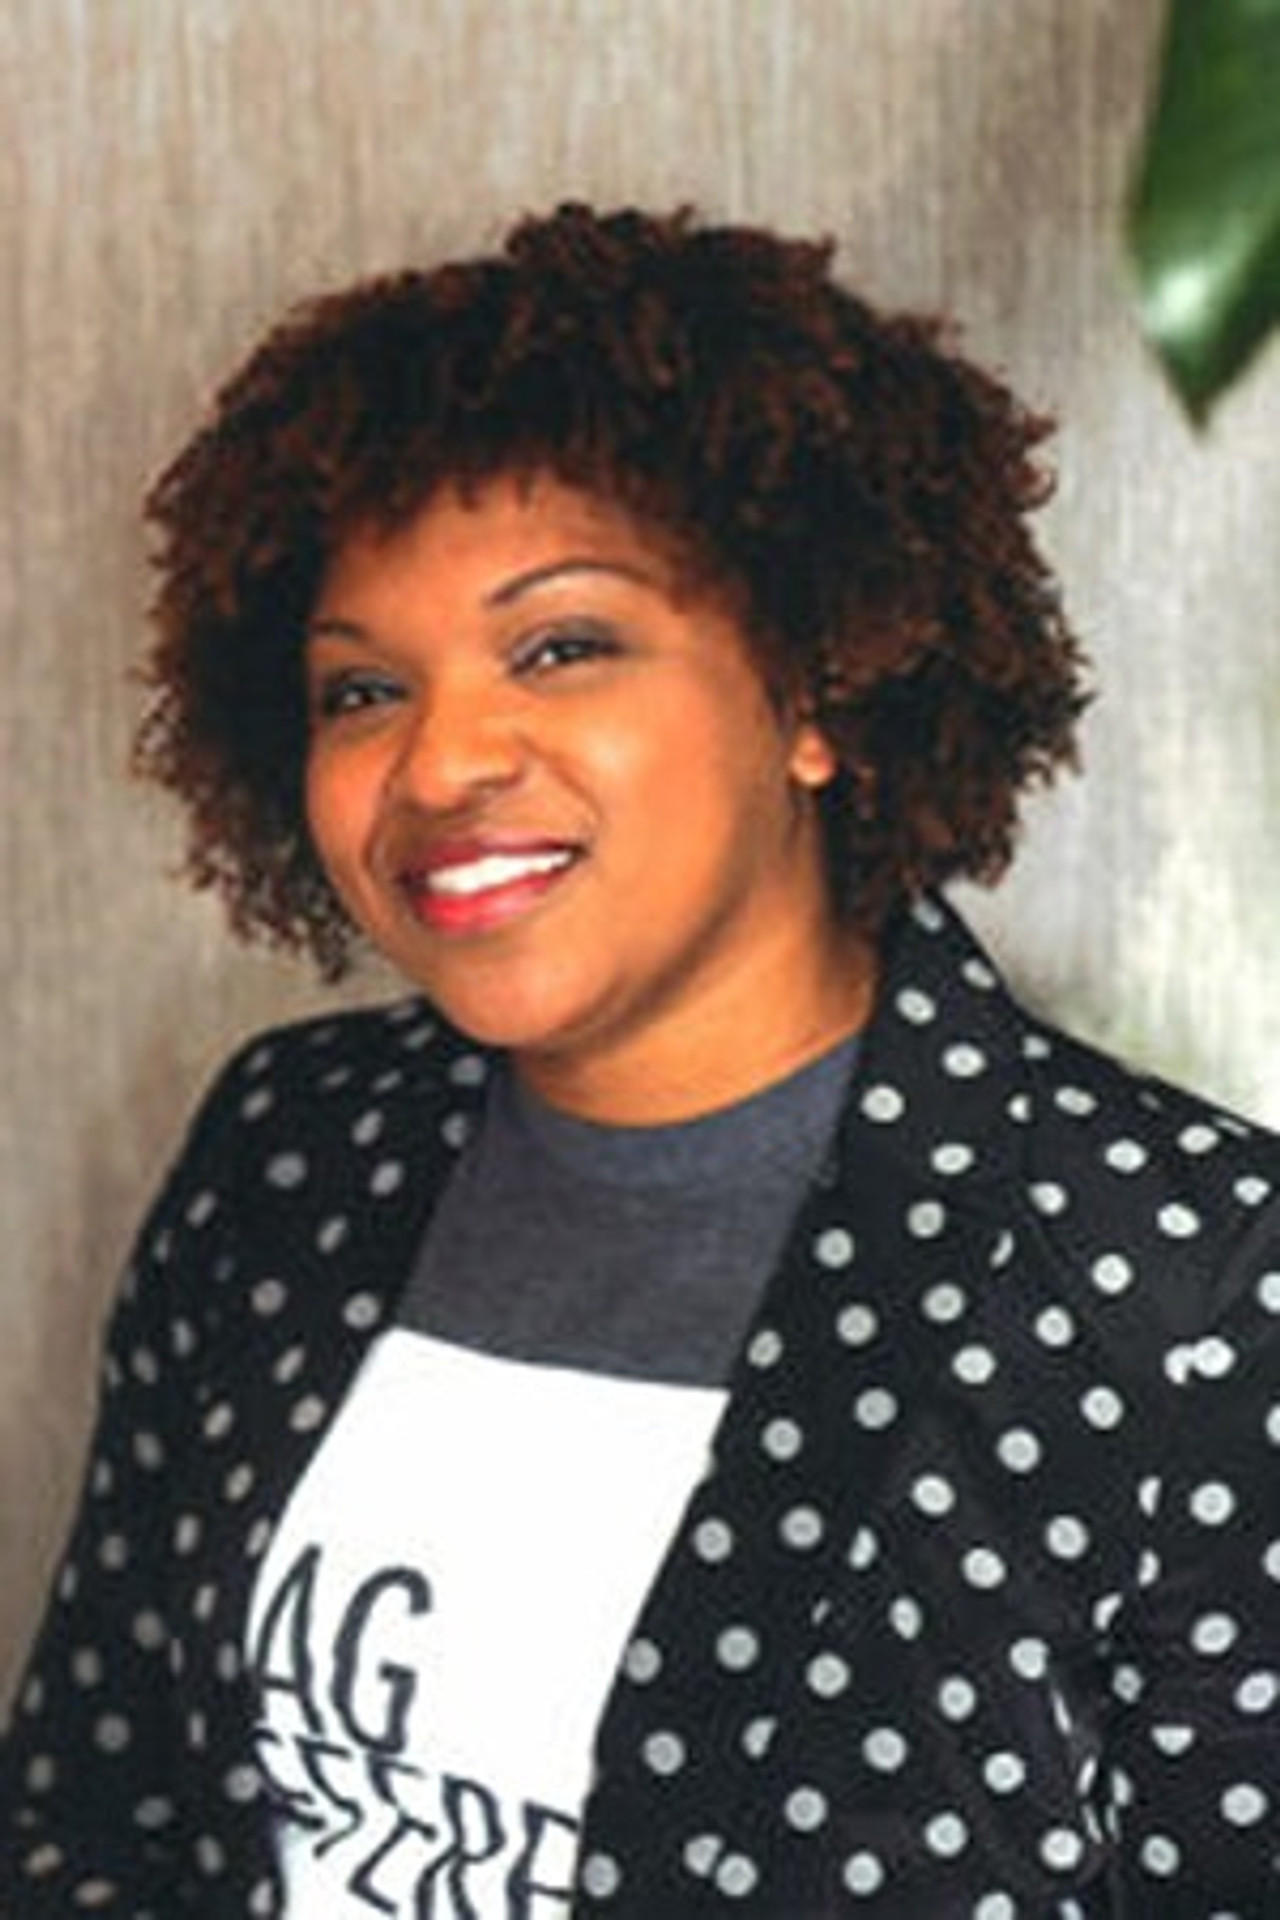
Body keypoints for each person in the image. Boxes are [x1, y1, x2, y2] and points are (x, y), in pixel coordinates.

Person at [1, 203, 1276, 1920]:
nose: (441, 762)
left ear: (816, 691)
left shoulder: (1187, 1277)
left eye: (561, 647)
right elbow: (98, 1803)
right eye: (361, 692)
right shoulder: (293, 1146)